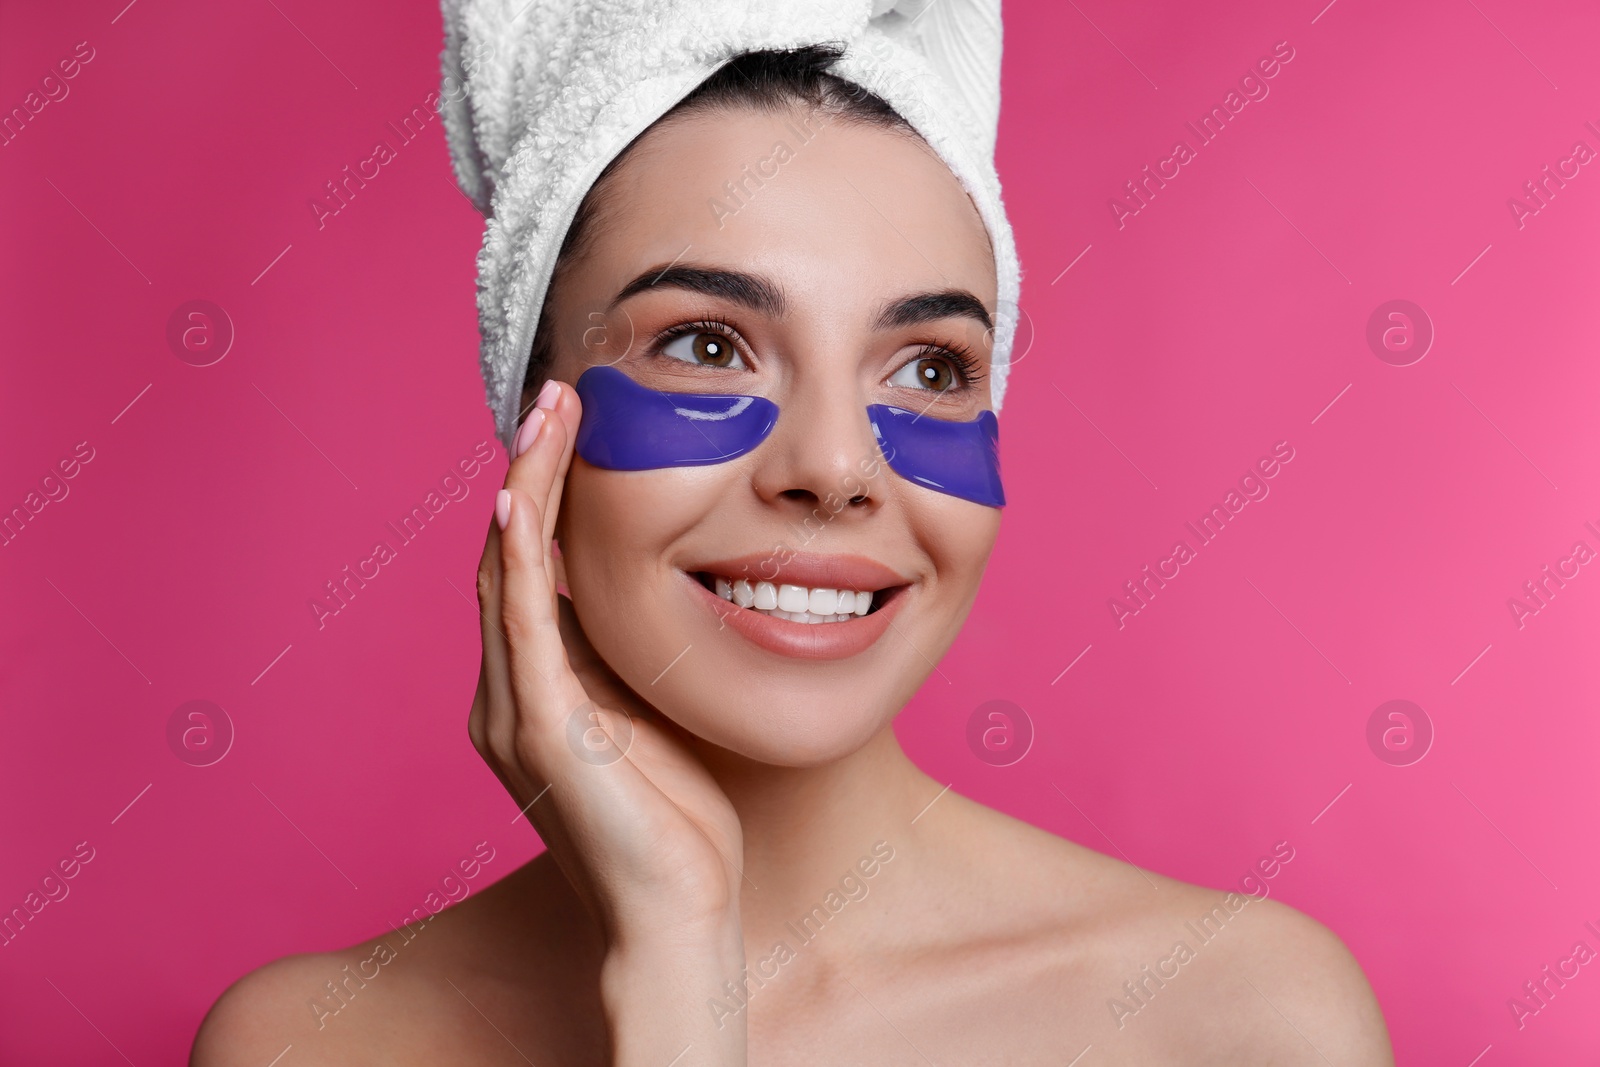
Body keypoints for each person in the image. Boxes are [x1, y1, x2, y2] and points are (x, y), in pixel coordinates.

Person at [192, 26, 1393, 1067]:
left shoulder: (1236, 1014)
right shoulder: (314, 1038)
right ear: (535, 429)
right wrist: (674, 958)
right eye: (708, 345)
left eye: (929, 368)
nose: (833, 467)